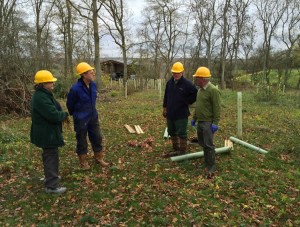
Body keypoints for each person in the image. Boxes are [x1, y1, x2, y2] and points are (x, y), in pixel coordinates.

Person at [30, 70, 69, 194]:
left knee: (49, 155)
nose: (53, 83)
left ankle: (50, 177)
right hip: (47, 133)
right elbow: (53, 115)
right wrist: (64, 114)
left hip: (46, 131)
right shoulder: (41, 97)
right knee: (51, 156)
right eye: (50, 81)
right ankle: (51, 186)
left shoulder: (44, 94)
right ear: (42, 84)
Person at [66, 62, 109, 169]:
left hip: (93, 116)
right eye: (91, 72)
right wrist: (77, 114)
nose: (93, 73)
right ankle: (83, 162)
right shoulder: (75, 89)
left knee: (97, 137)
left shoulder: (93, 85)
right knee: (81, 139)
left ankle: (99, 158)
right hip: (81, 118)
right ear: (84, 75)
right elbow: (69, 104)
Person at [162, 62, 198, 157]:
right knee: (171, 131)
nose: (176, 74)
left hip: (181, 113)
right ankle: (176, 147)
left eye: (178, 73)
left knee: (182, 132)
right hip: (170, 112)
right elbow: (166, 96)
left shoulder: (187, 84)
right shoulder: (169, 83)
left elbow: (195, 94)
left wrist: (187, 101)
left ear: (182, 72)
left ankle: (183, 150)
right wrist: (165, 107)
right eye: (174, 73)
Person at [191, 66, 221, 179]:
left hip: (208, 123)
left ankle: (211, 166)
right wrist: (194, 118)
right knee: (203, 143)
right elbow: (198, 106)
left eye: (197, 78)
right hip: (200, 121)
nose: (195, 80)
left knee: (209, 145)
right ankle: (207, 162)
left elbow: (217, 108)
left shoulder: (213, 90)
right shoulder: (200, 90)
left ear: (202, 79)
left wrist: (215, 123)